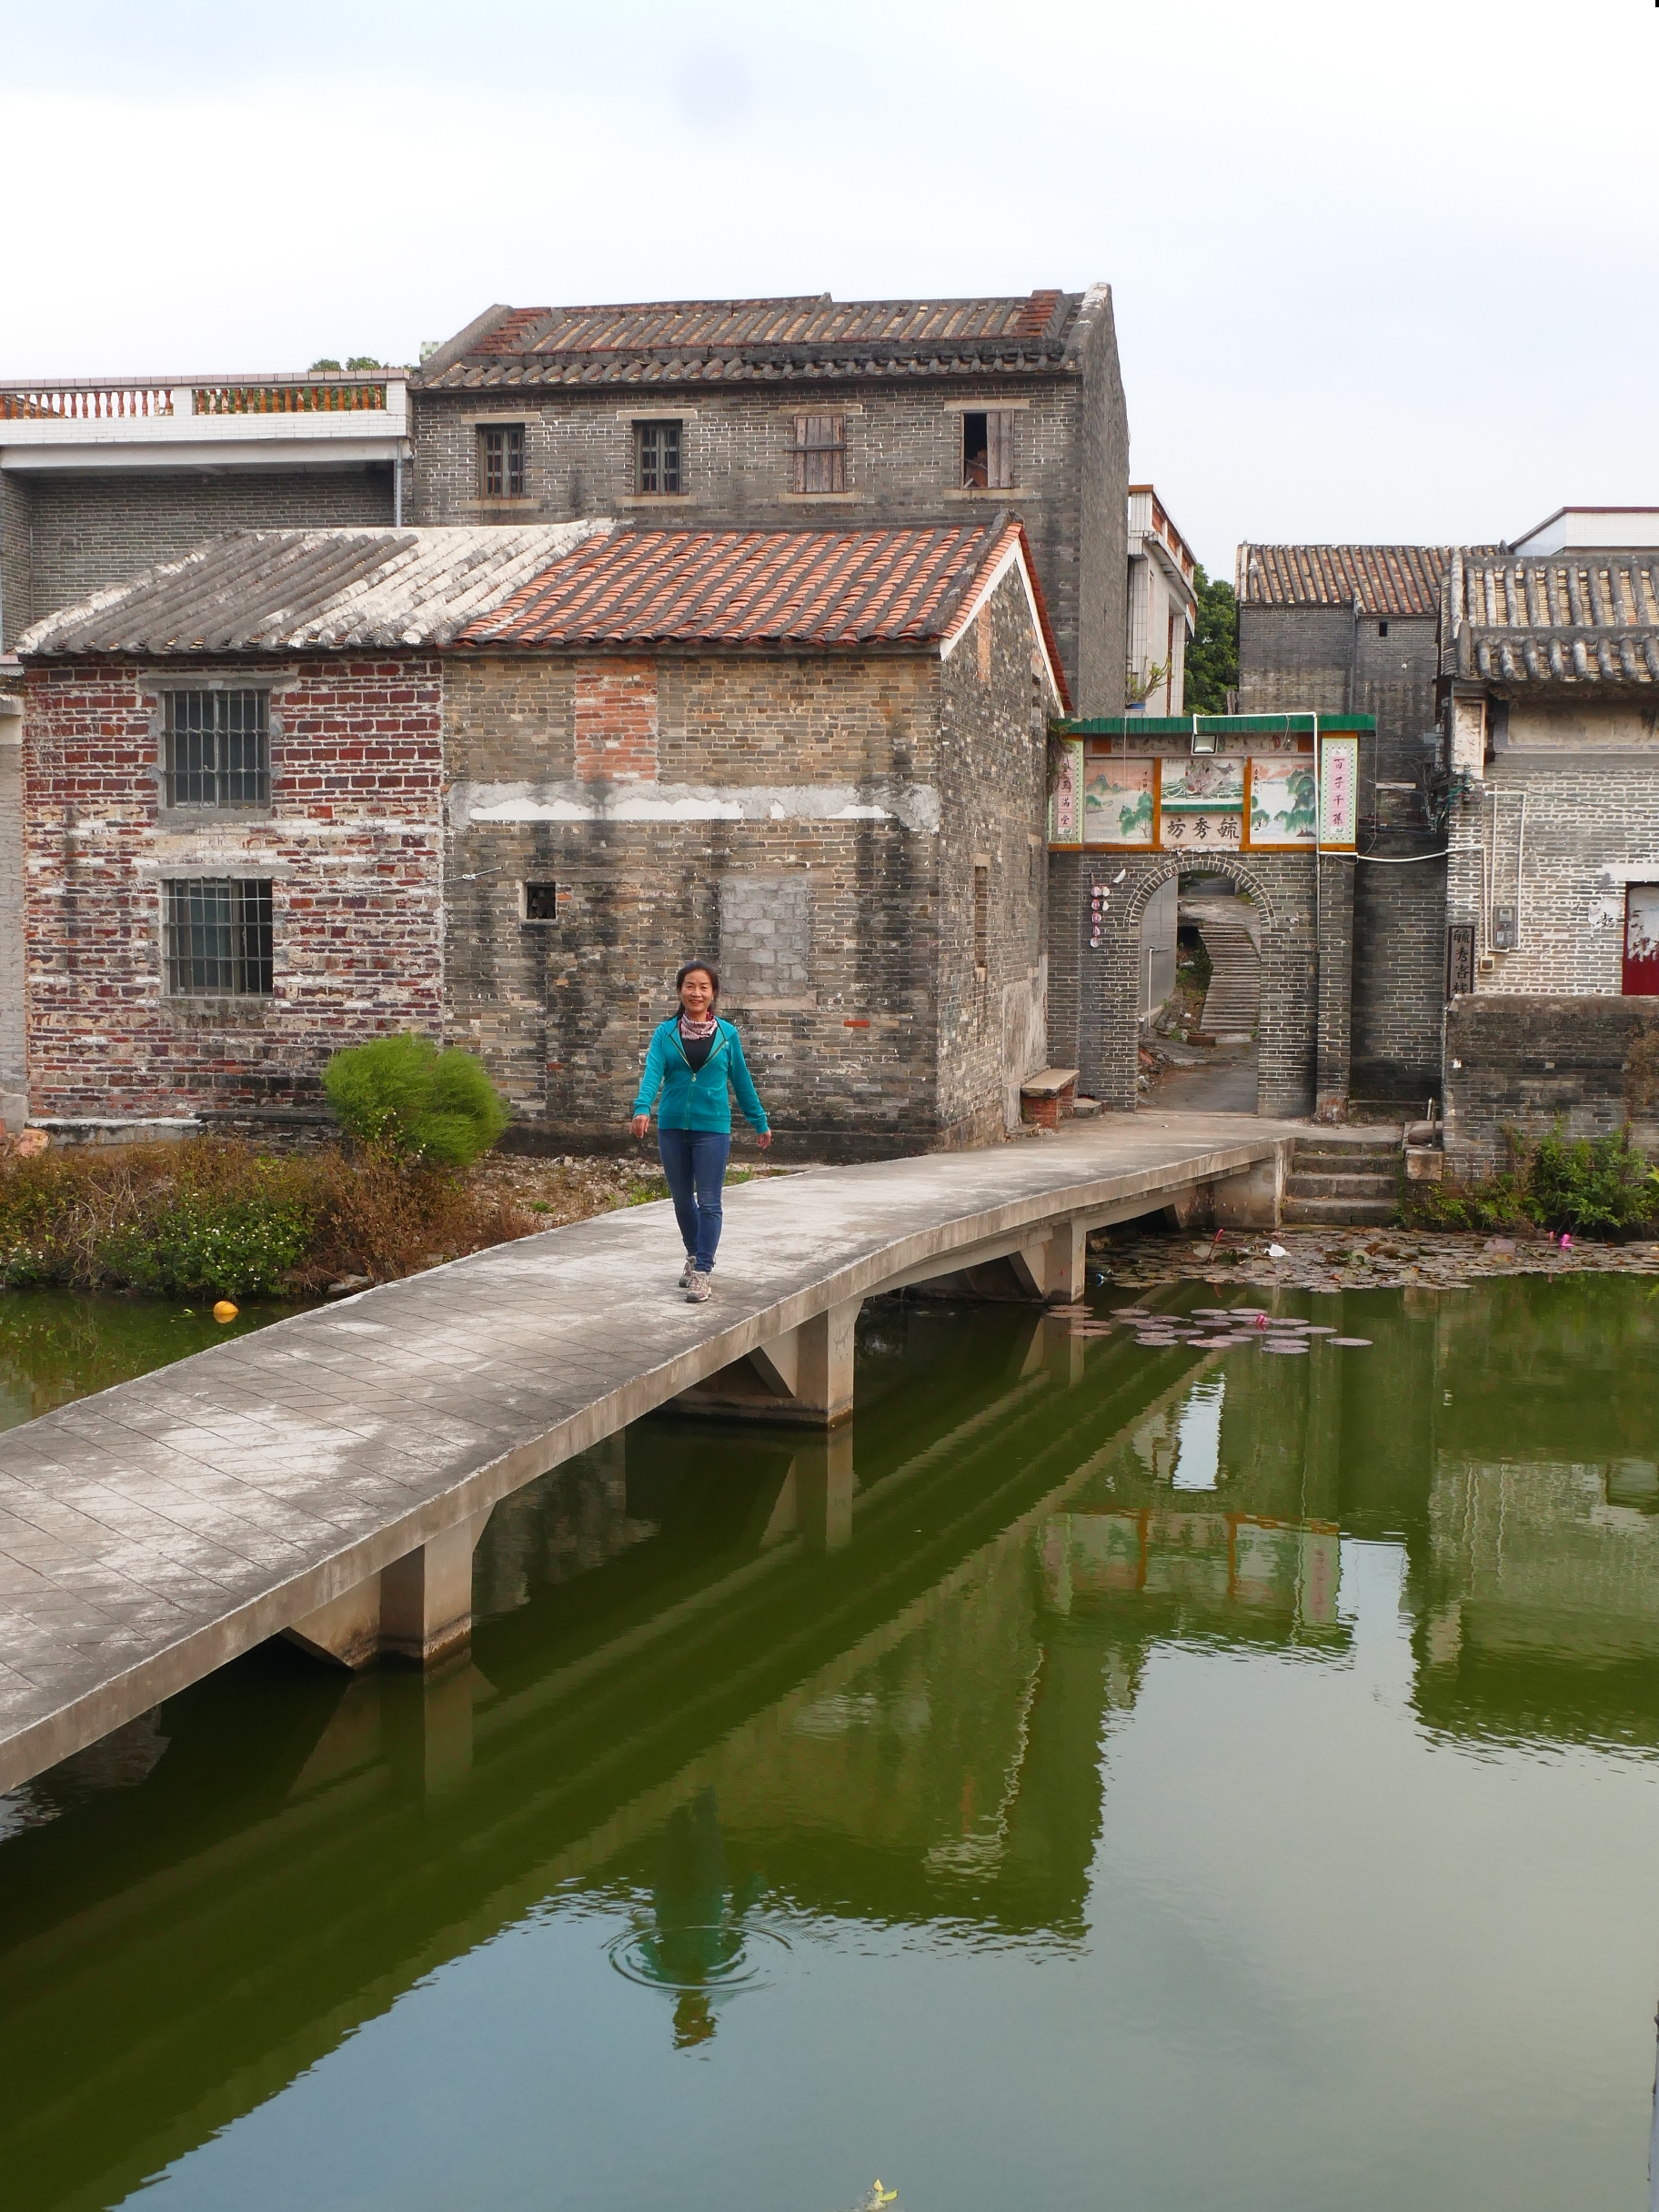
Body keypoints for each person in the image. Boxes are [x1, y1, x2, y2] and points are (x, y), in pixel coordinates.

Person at [630, 960, 770, 1302]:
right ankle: (693, 1257)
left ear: (713, 993)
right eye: (690, 986)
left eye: (703, 987)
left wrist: (759, 1121)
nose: (696, 993)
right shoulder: (665, 1033)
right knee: (681, 1200)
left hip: (712, 1128)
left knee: (709, 1201)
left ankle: (703, 1271)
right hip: (673, 1126)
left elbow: (741, 1081)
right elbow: (652, 1074)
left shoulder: (727, 1034)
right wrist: (642, 1107)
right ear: (681, 991)